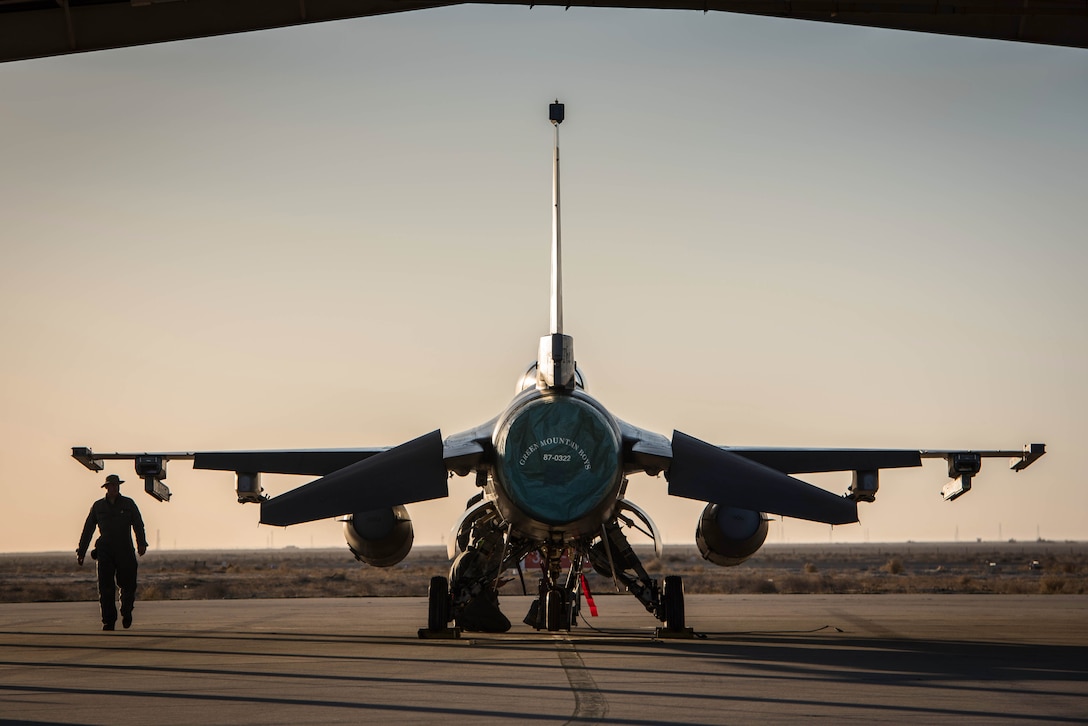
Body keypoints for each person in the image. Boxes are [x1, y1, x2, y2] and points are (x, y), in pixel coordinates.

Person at [76, 474, 148, 630]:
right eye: (111, 486)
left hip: (125, 550)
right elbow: (88, 529)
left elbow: (138, 524)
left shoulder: (128, 504)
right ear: (106, 488)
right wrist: (81, 551)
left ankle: (126, 611)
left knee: (128, 585)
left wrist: (141, 543)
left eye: (116, 485)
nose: (114, 488)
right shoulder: (98, 507)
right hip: (105, 551)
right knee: (105, 588)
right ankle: (108, 621)